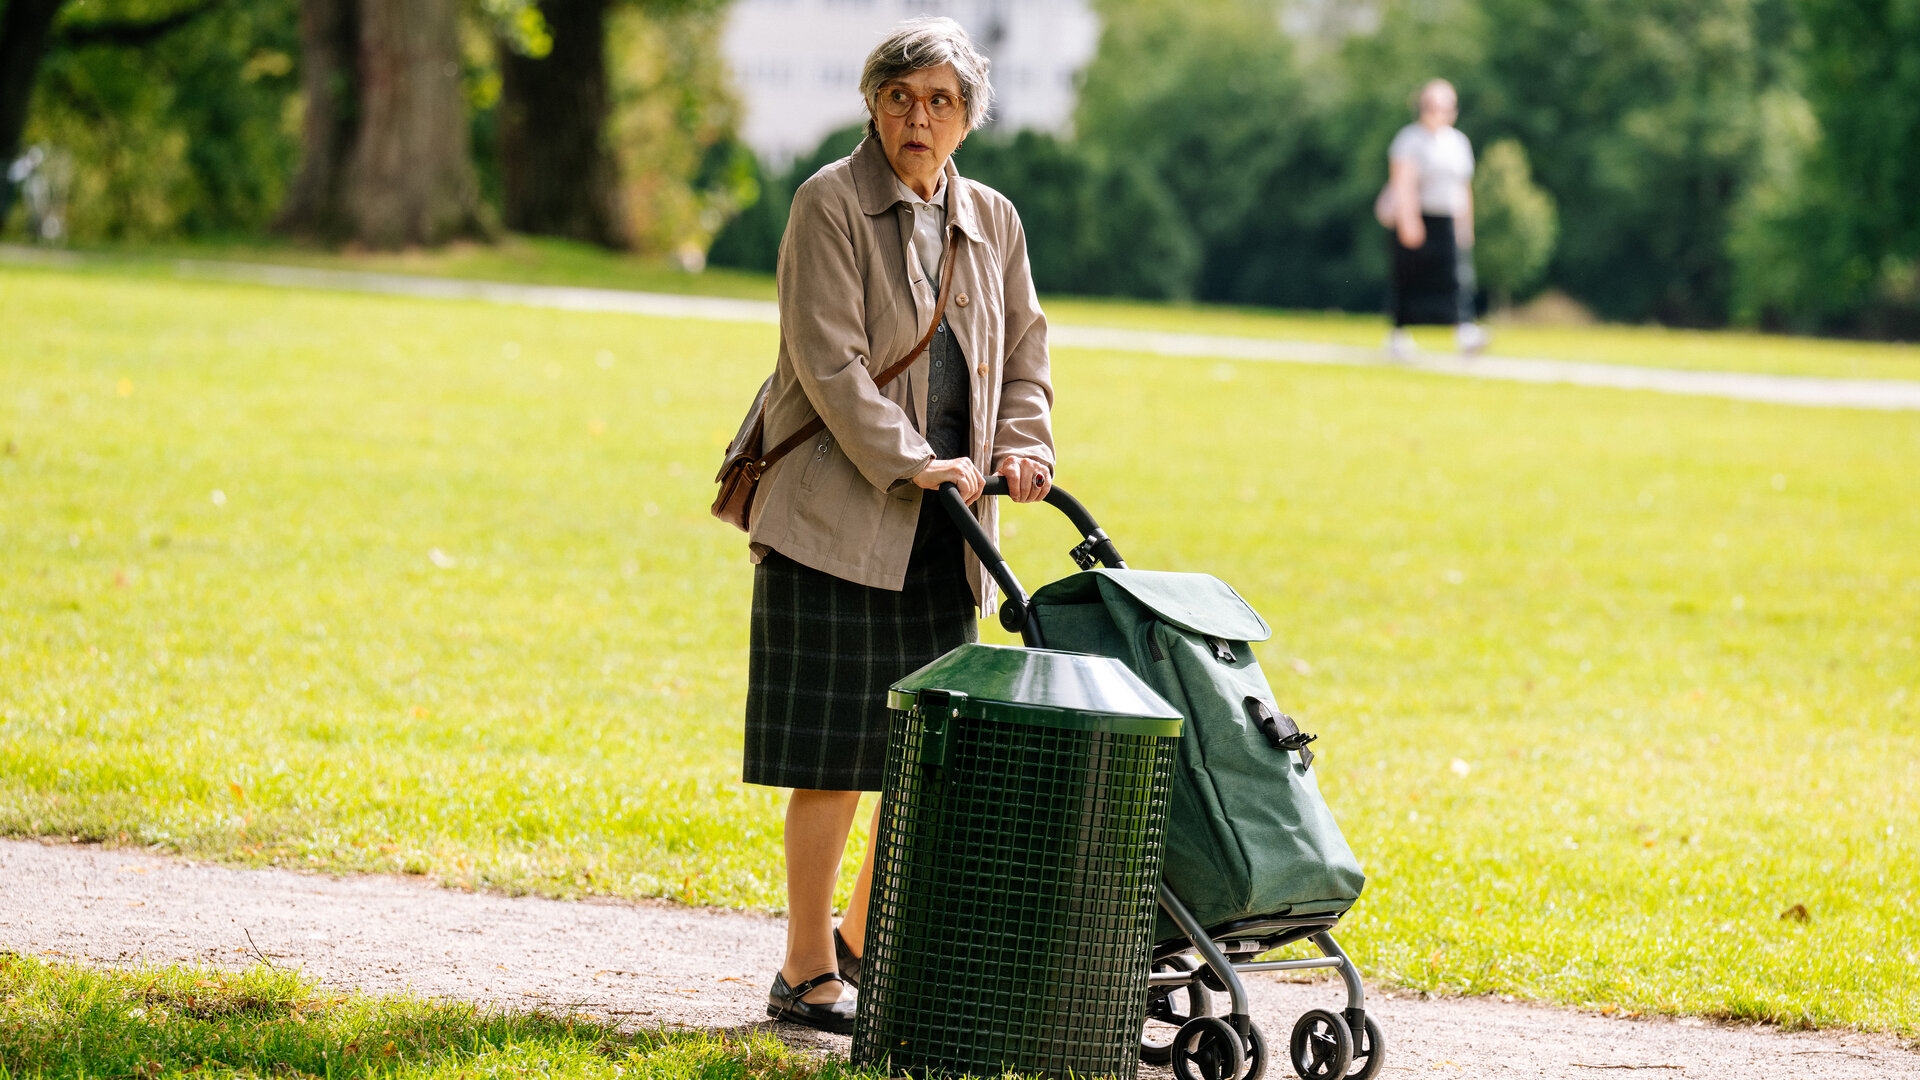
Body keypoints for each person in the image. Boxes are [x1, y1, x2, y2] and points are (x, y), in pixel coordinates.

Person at [739, 16, 1056, 1035]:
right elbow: (827, 365)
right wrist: (916, 461)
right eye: (901, 97)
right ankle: (803, 970)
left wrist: (1025, 445)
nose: (920, 117)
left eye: (942, 101)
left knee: (929, 757)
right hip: (838, 518)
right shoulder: (827, 204)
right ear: (873, 105)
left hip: (948, 532)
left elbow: (1026, 355)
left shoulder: (994, 218)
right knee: (834, 757)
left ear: (968, 118)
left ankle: (864, 943)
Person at [1382, 78, 1488, 358]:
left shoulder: (1457, 142)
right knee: (1409, 277)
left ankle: (1465, 331)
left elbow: (1463, 188)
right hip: (1418, 216)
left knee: (1456, 277)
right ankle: (1398, 335)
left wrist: (1466, 224)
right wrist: (1409, 220)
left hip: (1447, 218)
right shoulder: (1409, 139)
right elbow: (1402, 182)